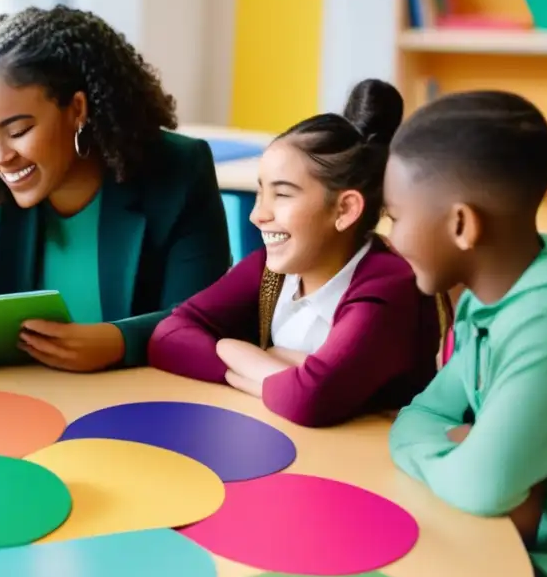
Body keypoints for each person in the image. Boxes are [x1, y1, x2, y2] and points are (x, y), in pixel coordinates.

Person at [384, 90, 547, 577]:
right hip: (523, 561)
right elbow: (419, 418)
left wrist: (478, 457)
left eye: (395, 216)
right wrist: (463, 446)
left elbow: (482, 487)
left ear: (461, 224)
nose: (389, 237)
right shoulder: (485, 296)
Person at [0, 5, 232, 372]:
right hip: (16, 407)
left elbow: (201, 316)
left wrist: (120, 341)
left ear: (77, 109)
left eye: (18, 132)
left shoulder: (178, 171)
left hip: (138, 407)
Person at [148, 79, 440, 427]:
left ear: (345, 210)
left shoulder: (388, 284)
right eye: (261, 193)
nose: (258, 214)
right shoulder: (273, 271)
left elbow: (310, 400)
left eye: (282, 195)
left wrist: (245, 356)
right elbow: (167, 338)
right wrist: (273, 369)